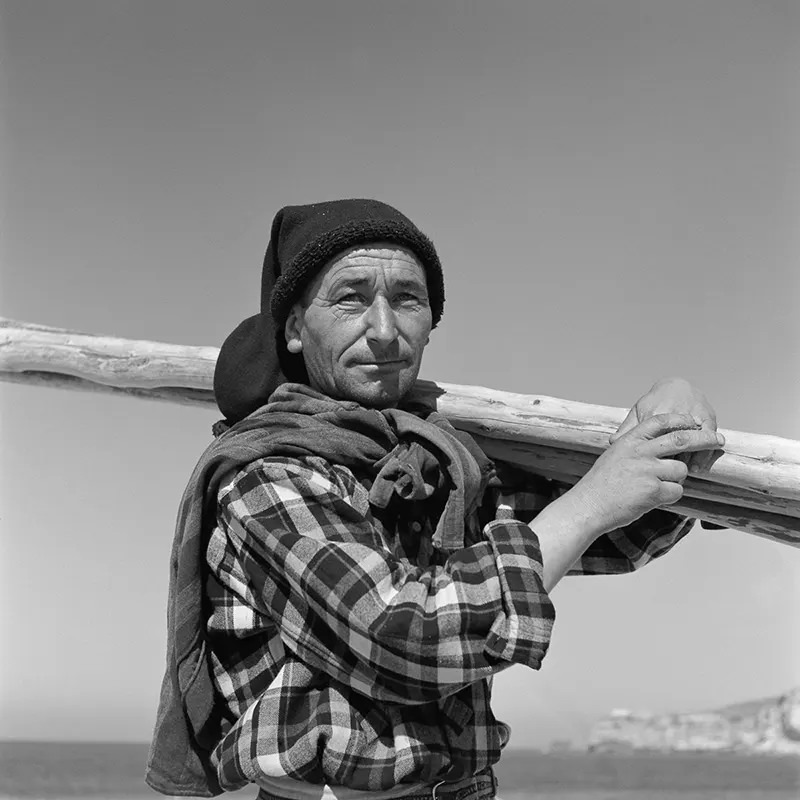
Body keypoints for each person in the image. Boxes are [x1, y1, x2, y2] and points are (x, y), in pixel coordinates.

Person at [146, 199, 723, 800]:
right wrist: (591, 502)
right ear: (293, 328)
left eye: (407, 299)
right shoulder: (269, 477)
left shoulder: (438, 464)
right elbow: (407, 635)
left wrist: (673, 410)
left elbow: (619, 534)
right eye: (350, 298)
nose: (385, 330)